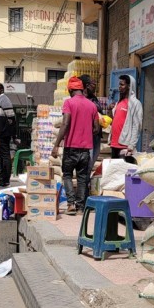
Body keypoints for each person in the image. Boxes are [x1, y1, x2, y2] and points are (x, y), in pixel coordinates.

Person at [51, 76, 100, 215]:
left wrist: (56, 145)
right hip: (86, 148)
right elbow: (96, 128)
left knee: (67, 175)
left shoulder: (69, 103)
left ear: (70, 90)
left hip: (71, 147)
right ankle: (80, 207)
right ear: (82, 89)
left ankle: (71, 204)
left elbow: (65, 123)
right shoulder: (92, 105)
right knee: (82, 178)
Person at [110, 75, 143, 159]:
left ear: (129, 86)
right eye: (119, 85)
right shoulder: (118, 102)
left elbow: (136, 126)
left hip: (124, 146)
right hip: (114, 144)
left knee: (123, 171)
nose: (119, 87)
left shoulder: (135, 104)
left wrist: (131, 145)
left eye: (122, 85)